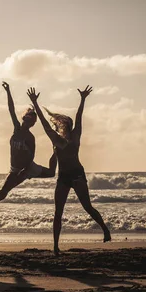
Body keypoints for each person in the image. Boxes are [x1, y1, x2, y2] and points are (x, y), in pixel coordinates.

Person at [27, 85, 111, 255]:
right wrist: (35, 104)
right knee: (58, 212)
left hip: (77, 175)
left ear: (68, 127)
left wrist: (82, 99)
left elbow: (79, 118)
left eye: (65, 126)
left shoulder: (75, 136)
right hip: (63, 176)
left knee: (87, 207)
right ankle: (56, 246)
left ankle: (105, 230)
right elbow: (44, 124)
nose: (62, 128)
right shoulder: (55, 139)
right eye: (62, 126)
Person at [0, 82, 57, 218]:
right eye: (28, 117)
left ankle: (56, 150)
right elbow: (11, 110)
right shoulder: (17, 129)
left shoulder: (30, 138)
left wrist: (23, 172)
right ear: (24, 118)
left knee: (50, 173)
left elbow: (31, 157)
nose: (29, 121)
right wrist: (8, 91)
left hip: (27, 168)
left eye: (32, 120)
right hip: (14, 169)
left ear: (32, 123)